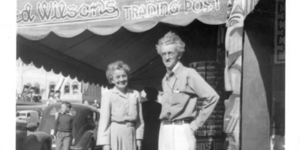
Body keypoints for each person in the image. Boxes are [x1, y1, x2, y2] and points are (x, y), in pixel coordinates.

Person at [156, 32, 220, 150]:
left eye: (170, 53)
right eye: (163, 54)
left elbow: (212, 97)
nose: (166, 57)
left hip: (182, 130)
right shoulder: (164, 79)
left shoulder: (188, 74)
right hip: (164, 130)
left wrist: (195, 125)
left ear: (179, 55)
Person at [97, 61, 144, 150]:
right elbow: (104, 122)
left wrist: (139, 138)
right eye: (117, 77)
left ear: (128, 76)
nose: (121, 80)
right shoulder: (108, 96)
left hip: (132, 135)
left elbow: (140, 120)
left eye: (124, 76)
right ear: (112, 80)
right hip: (115, 136)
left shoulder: (135, 94)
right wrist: (105, 144)